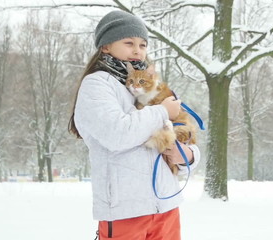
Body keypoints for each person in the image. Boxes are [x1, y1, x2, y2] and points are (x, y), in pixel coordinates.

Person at [68, 10, 200, 240]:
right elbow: (117, 134)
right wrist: (161, 112)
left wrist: (188, 156)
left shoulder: (149, 84)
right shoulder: (97, 85)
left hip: (166, 205)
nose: (137, 50)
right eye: (129, 42)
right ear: (105, 46)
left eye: (143, 44)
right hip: (125, 210)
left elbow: (182, 131)